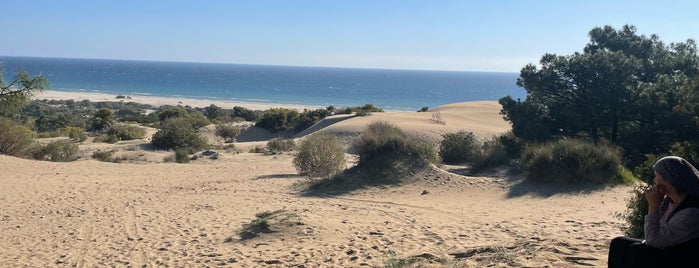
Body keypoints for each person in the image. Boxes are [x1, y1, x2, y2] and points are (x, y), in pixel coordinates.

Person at [608, 156, 699, 267]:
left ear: (669, 179)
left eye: (657, 176)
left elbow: (653, 240)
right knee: (619, 243)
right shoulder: (668, 201)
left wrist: (653, 206)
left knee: (638, 251)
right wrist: (658, 203)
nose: (655, 181)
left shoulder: (690, 211)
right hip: (667, 248)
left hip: (682, 257)